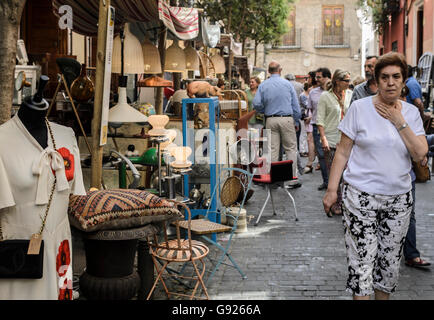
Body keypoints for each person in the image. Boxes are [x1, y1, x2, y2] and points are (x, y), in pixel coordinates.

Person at [323, 52, 428, 300]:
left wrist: (398, 120)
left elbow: (420, 153)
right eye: (384, 77)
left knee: (389, 266)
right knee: (361, 266)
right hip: (360, 198)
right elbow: (342, 153)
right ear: (376, 80)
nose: (390, 82)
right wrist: (331, 190)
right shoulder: (360, 108)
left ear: (403, 81)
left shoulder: (411, 113)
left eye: (396, 77)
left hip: (399, 200)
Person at [0, 76, 86, 299]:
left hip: (61, 243)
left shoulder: (66, 136)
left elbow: (75, 193)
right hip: (19, 248)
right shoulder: (2, 140)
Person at [253, 61, 302, 187]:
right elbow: (295, 105)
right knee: (290, 148)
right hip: (286, 119)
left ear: (268, 71)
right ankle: (291, 180)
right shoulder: (287, 84)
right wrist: (296, 120)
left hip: (270, 119)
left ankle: (273, 178)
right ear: (280, 70)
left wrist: (265, 110)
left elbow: (256, 104)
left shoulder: (263, 85)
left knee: (272, 149)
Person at [400, 81, 432, 269]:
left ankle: (411, 254)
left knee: (409, 215)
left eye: (405, 97)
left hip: (407, 175)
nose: (404, 101)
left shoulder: (410, 114)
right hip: (384, 179)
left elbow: (420, 144)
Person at [317, 70, 352, 216]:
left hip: (347, 141)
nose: (349, 84)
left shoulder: (350, 95)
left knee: (348, 175)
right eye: (346, 80)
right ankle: (335, 203)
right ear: (337, 81)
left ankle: (345, 202)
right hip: (331, 140)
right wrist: (323, 138)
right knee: (334, 174)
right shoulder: (325, 97)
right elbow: (320, 119)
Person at [308, 67, 332, 190]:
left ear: (327, 77)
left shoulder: (334, 91)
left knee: (334, 154)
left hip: (333, 127)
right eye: (316, 77)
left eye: (319, 77)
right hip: (317, 126)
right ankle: (326, 181)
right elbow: (312, 109)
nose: (316, 79)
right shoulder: (313, 92)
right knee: (322, 155)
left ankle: (334, 182)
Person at [301, 82, 316, 173]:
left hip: (313, 118)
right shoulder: (307, 95)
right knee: (310, 139)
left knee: (310, 140)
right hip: (310, 118)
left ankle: (310, 162)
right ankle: (310, 162)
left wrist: (310, 117)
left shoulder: (315, 93)